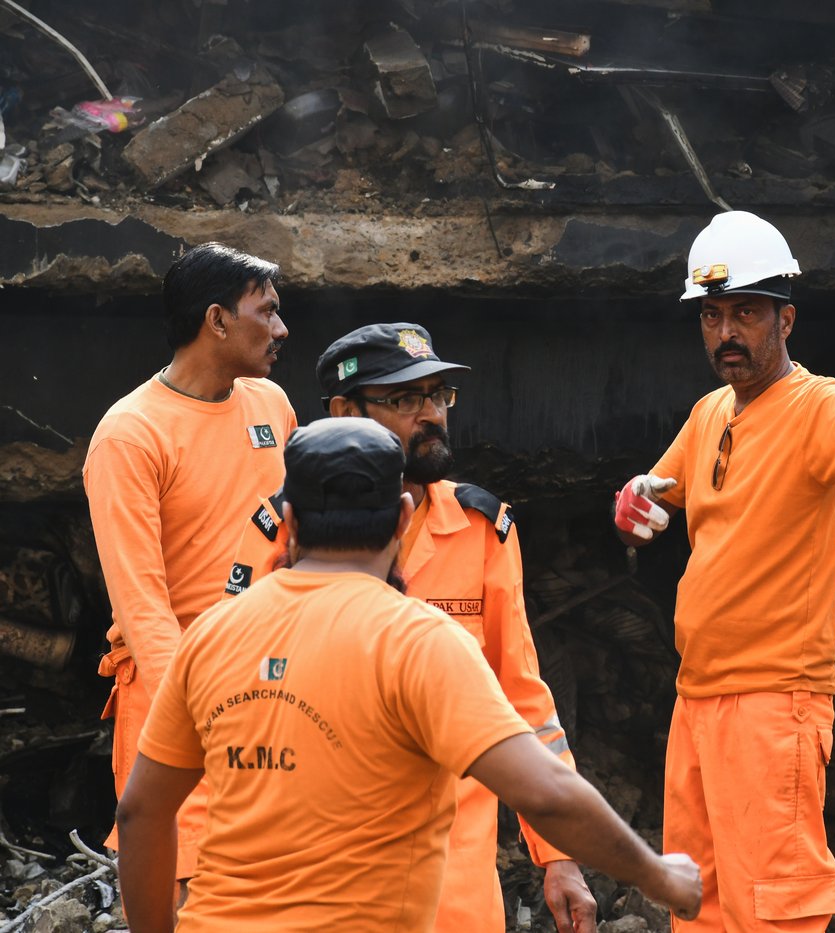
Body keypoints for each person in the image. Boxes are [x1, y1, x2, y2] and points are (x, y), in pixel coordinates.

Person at [116, 419, 703, 933]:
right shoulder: (420, 641)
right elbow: (545, 791)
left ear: (289, 520)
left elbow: (141, 812)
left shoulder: (210, 636)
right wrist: (658, 875)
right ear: (401, 517)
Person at [611, 210, 835, 933]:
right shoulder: (711, 411)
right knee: (698, 902)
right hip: (698, 697)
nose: (726, 332)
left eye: (745, 312)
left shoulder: (819, 406)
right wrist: (632, 500)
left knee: (777, 909)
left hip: (775, 699)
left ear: (786, 320)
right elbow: (658, 488)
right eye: (712, 315)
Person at [228, 322, 595, 933]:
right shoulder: (283, 530)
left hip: (456, 893)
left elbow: (523, 700)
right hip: (321, 887)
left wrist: (559, 855)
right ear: (344, 412)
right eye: (405, 399)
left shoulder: (484, 530)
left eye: (438, 396)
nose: (432, 415)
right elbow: (234, 706)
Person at [83, 242, 293, 884]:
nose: (282, 329)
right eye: (268, 311)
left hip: (274, 686)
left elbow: (295, 547)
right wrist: (199, 711)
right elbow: (141, 605)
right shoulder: (131, 434)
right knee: (188, 891)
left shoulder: (271, 405)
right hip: (179, 698)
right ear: (218, 320)